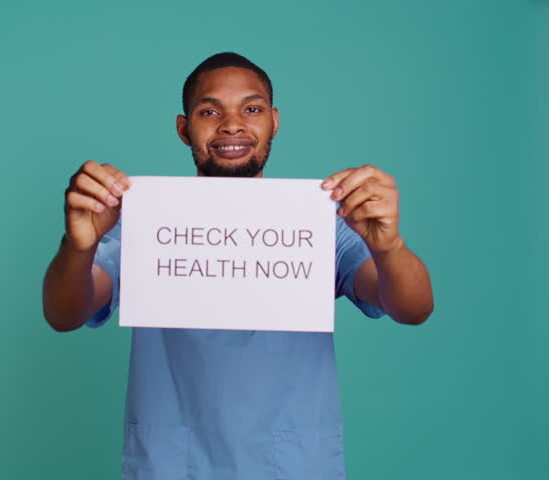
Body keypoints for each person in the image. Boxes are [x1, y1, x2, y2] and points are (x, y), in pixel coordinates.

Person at [42, 52, 434, 479]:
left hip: (294, 465)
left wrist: (389, 247)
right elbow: (65, 313)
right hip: (174, 465)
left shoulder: (323, 222)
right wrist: (78, 246)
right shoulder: (146, 220)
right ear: (183, 129)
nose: (232, 124)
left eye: (252, 109)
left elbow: (412, 308)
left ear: (274, 121)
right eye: (209, 111)